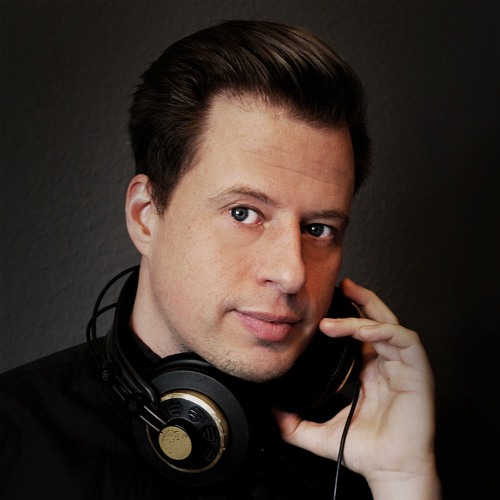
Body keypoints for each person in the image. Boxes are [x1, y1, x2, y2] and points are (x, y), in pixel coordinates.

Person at [0, 19, 441, 500]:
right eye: (243, 213)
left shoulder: (372, 442)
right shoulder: (13, 444)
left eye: (318, 229)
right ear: (146, 216)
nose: (291, 273)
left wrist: (402, 480)